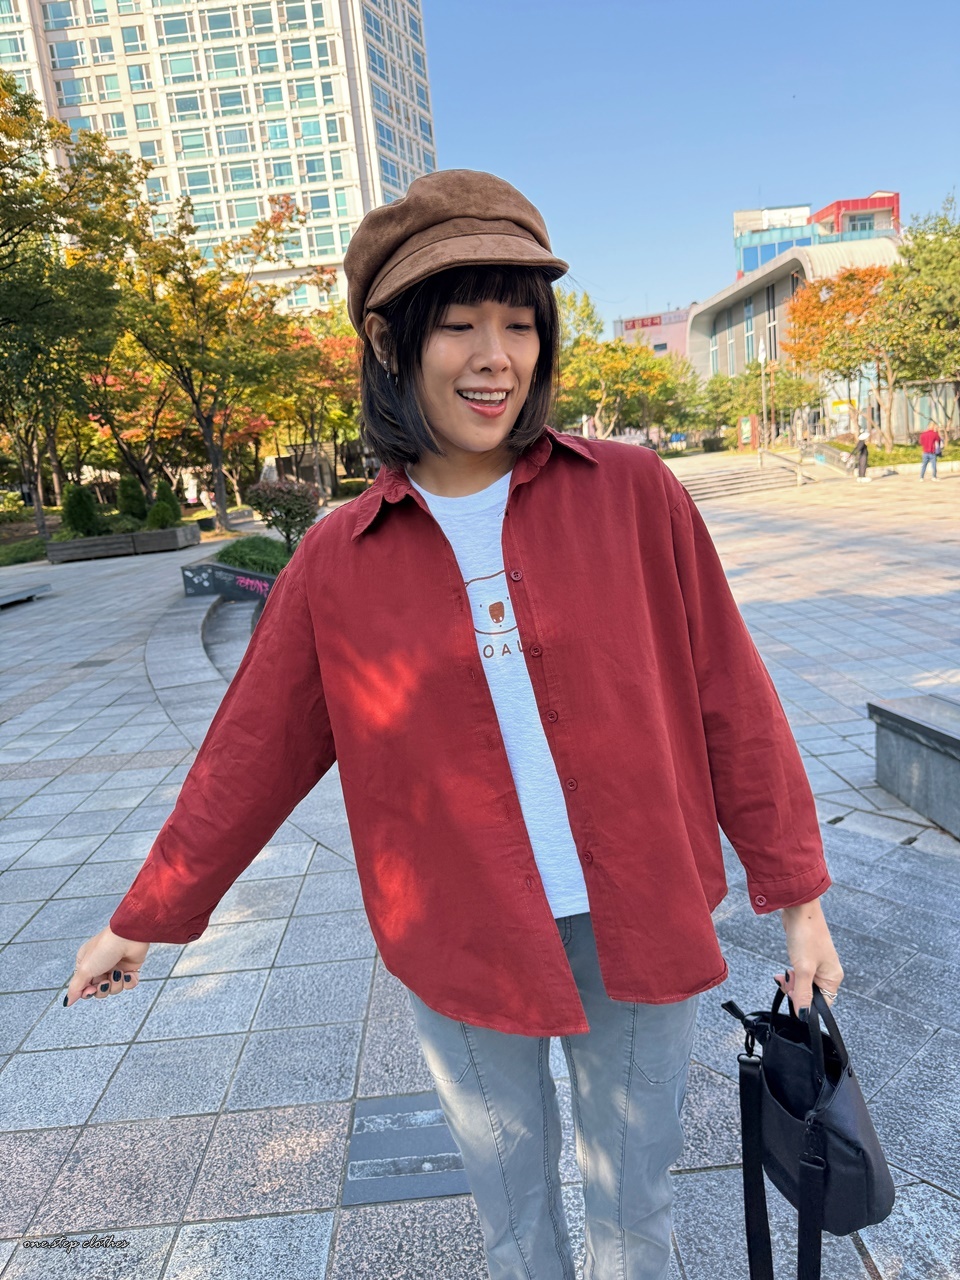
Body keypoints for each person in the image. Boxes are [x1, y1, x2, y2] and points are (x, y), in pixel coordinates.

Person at [63, 171, 843, 1280]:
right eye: (460, 325)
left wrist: (800, 899)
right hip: (461, 933)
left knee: (636, 1209)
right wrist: (144, 916)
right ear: (392, 343)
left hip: (636, 910)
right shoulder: (338, 559)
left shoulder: (633, 495)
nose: (495, 357)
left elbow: (734, 696)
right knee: (514, 1221)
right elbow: (248, 757)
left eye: (519, 324)